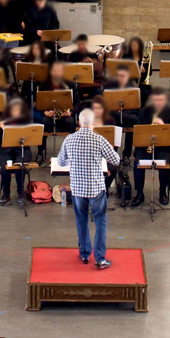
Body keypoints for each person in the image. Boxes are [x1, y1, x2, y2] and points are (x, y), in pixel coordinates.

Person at [56, 108, 121, 269]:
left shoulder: (69, 139)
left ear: (79, 122)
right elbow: (116, 160)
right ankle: (100, 258)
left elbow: (61, 162)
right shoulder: (99, 139)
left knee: (81, 220)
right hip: (96, 188)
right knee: (100, 222)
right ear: (94, 123)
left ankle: (84, 254)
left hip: (77, 188)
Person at [131, 87, 170, 207]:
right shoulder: (144, 112)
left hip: (164, 147)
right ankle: (139, 193)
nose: (158, 102)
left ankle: (163, 191)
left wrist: (164, 126)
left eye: (161, 100)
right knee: (138, 163)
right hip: (145, 147)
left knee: (164, 164)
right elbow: (138, 131)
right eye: (156, 100)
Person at [0, 98, 33, 204]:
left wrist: (5, 128)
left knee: (19, 166)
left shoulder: (26, 122)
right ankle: (6, 193)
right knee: (5, 167)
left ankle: (20, 193)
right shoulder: (4, 121)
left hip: (22, 149)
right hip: (6, 150)